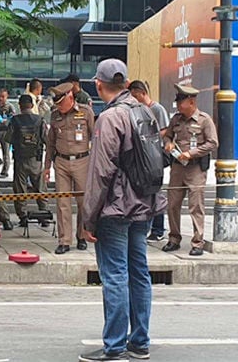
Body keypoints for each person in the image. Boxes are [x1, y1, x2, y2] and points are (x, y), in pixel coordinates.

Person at [79, 59, 154, 362]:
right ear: (125, 83)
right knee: (139, 273)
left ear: (98, 84)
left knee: (115, 276)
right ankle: (140, 342)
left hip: (115, 208)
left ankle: (114, 347)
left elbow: (101, 172)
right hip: (143, 204)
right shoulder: (144, 111)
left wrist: (88, 217)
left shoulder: (109, 118)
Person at [161, 84, 218, 256]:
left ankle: (198, 242)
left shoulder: (204, 120)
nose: (177, 104)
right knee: (172, 205)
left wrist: (191, 153)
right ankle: (174, 238)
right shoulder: (176, 119)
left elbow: (213, 143)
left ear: (191, 101)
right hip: (177, 168)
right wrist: (168, 144)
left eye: (181, 101)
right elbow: (168, 135)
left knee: (196, 206)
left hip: (196, 169)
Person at [44, 82, 95, 254]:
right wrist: (47, 166)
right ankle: (64, 240)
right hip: (62, 163)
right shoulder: (54, 115)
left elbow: (96, 139)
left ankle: (81, 236)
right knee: (62, 203)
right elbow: (50, 143)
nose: (58, 106)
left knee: (83, 202)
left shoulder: (86, 113)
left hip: (82, 161)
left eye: (60, 102)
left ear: (70, 97)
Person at [128, 80, 169, 242]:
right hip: (142, 157)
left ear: (141, 93)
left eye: (135, 96)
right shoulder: (137, 111)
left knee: (156, 192)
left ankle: (158, 229)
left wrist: (148, 139)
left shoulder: (156, 109)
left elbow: (164, 130)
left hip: (154, 157)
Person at [4, 94, 48, 227]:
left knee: (20, 189)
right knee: (40, 187)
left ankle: (23, 217)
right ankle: (44, 215)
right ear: (32, 105)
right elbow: (46, 139)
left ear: (20, 105)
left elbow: (8, 138)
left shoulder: (15, 120)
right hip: (36, 159)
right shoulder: (40, 120)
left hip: (20, 159)